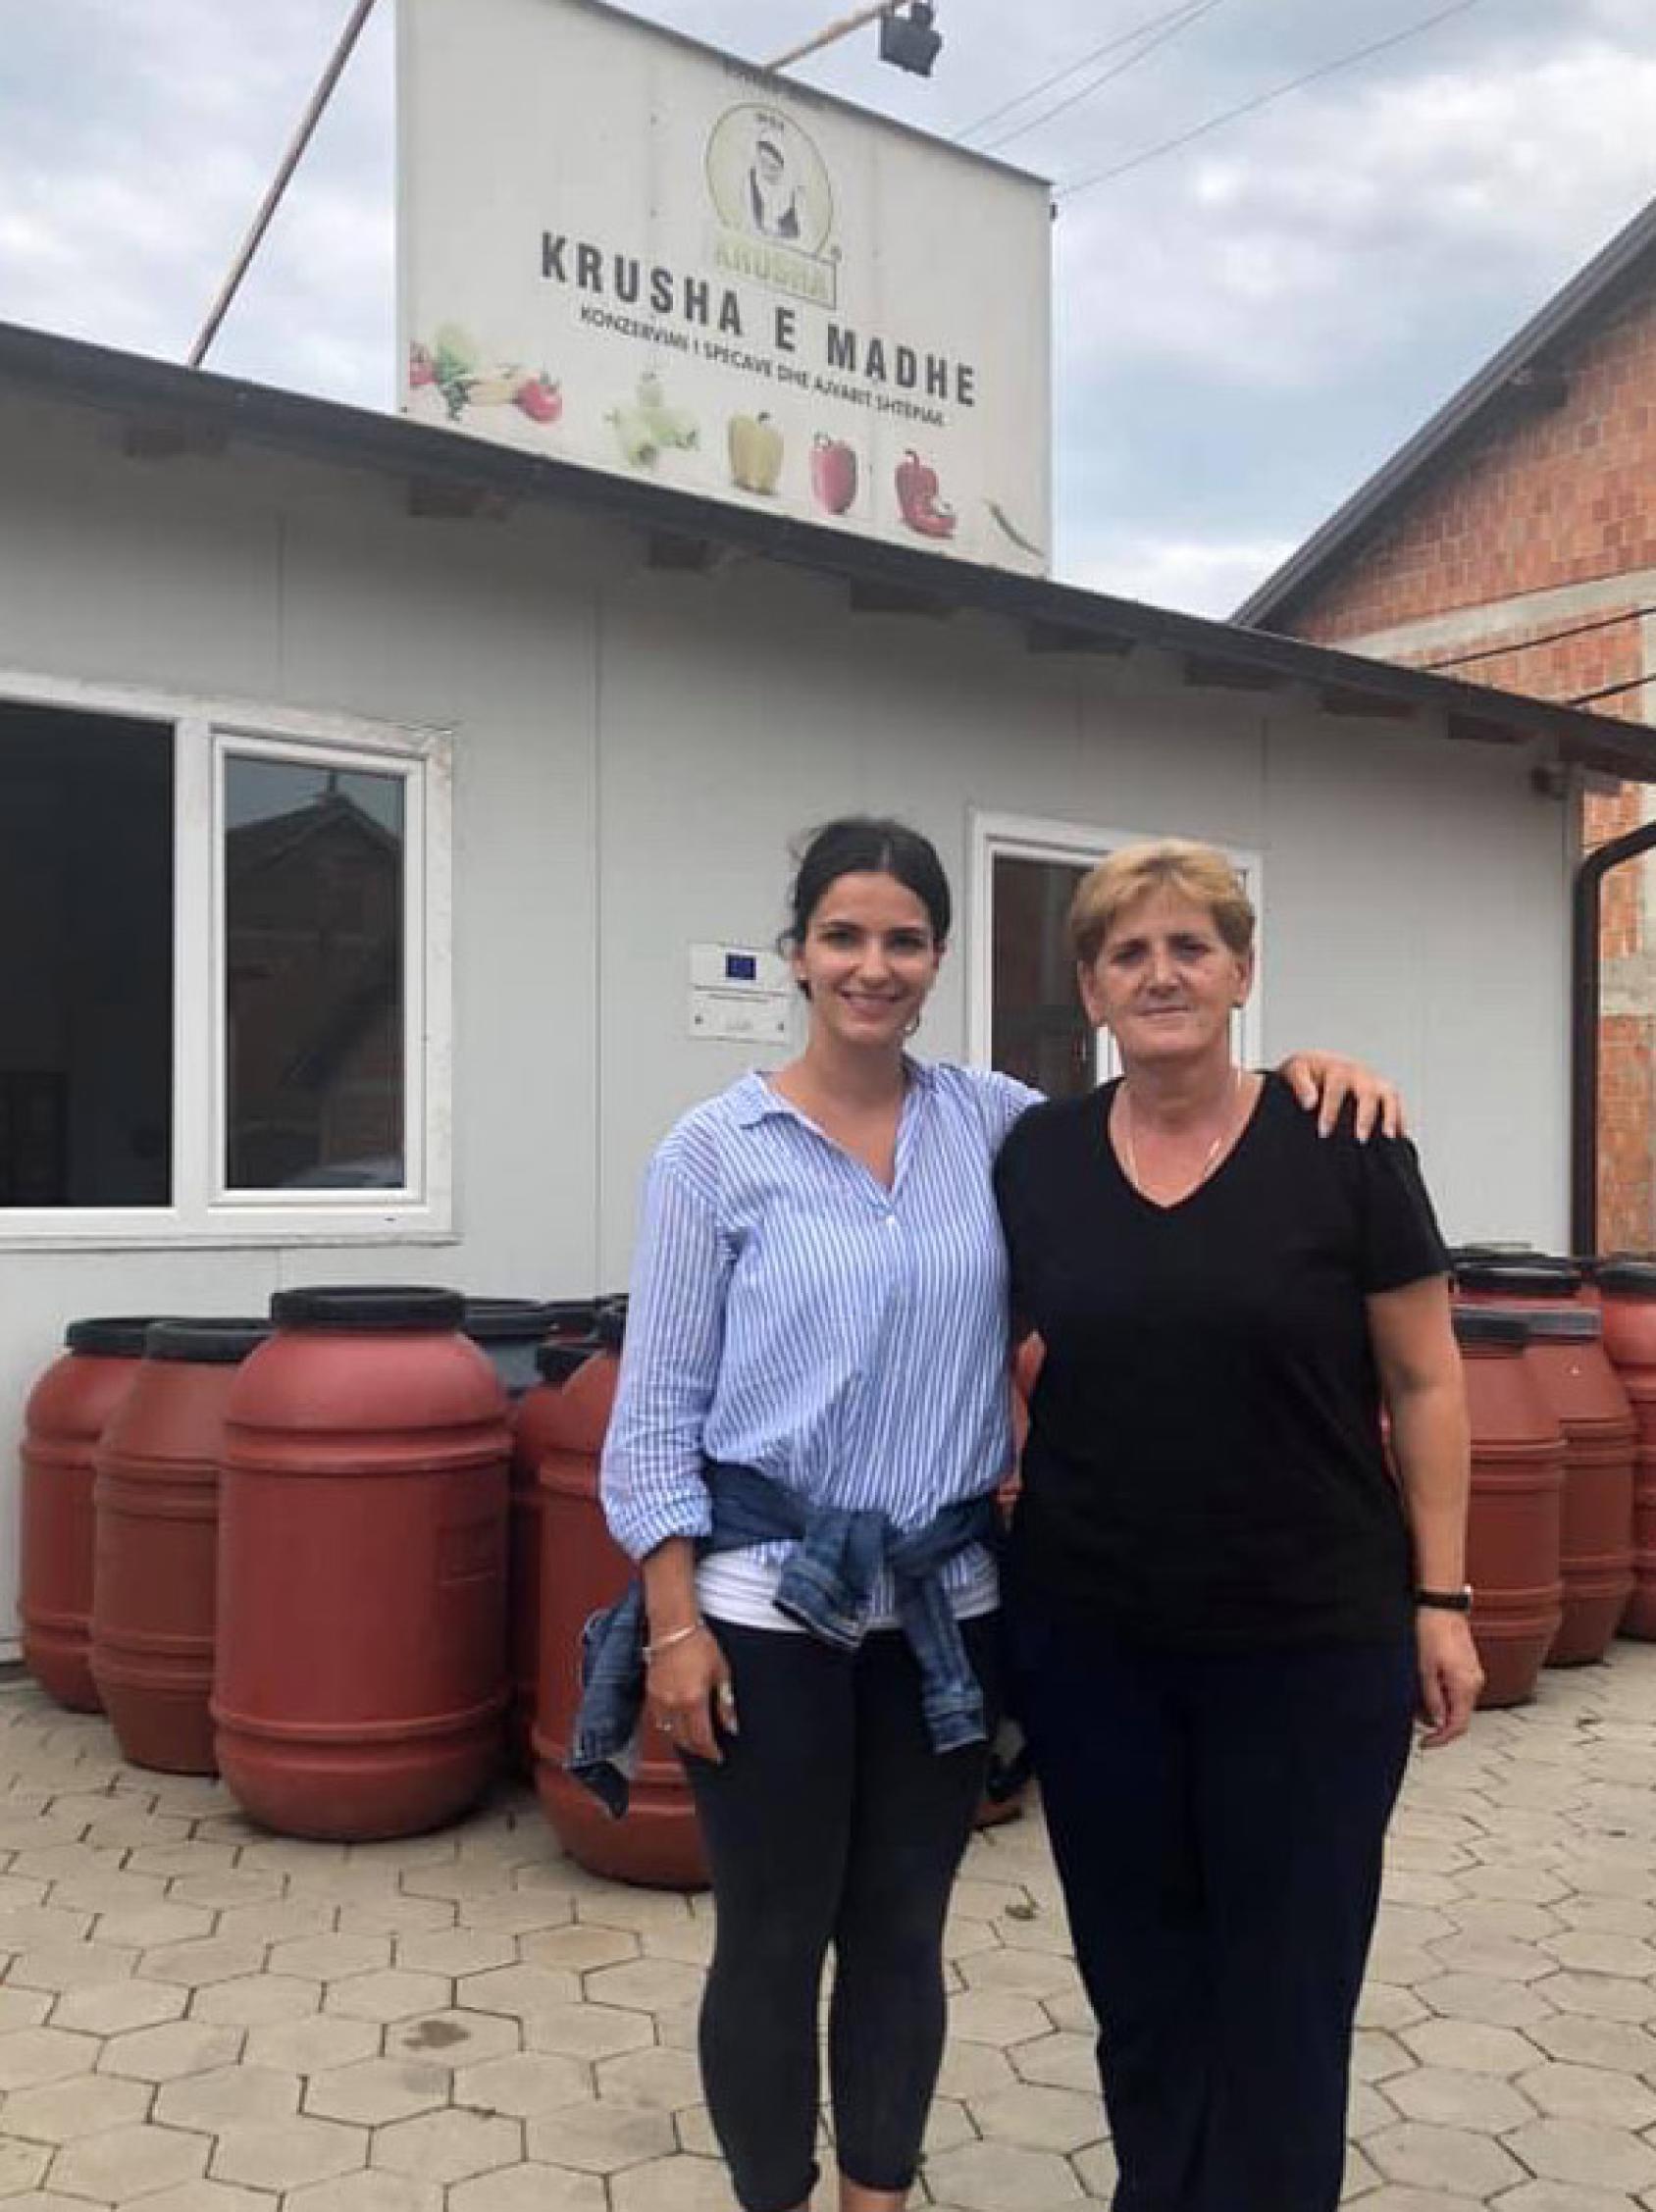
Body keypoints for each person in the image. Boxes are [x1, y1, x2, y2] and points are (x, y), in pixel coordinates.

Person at [597, 817, 1400, 2212]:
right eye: (843, 935)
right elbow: (657, 1409)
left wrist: (1309, 1078)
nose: (873, 965)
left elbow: (1173, 1126)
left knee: (905, 1931)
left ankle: (878, 2200)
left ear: (938, 958)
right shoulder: (713, 1154)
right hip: (758, 1611)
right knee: (775, 1939)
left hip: (942, 1611)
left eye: (903, 939)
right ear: (797, 955)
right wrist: (672, 1622)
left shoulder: (1000, 1129)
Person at [993, 838, 1482, 2212]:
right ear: (1089, 988)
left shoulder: (1346, 1144)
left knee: (1285, 1995)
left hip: (1310, 1648)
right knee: (1142, 1989)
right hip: (1093, 1650)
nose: (1162, 974)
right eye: (1128, 952)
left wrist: (1441, 1602)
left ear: (1242, 970)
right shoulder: (1035, 1155)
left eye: (1190, 946)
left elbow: (1428, 1379)